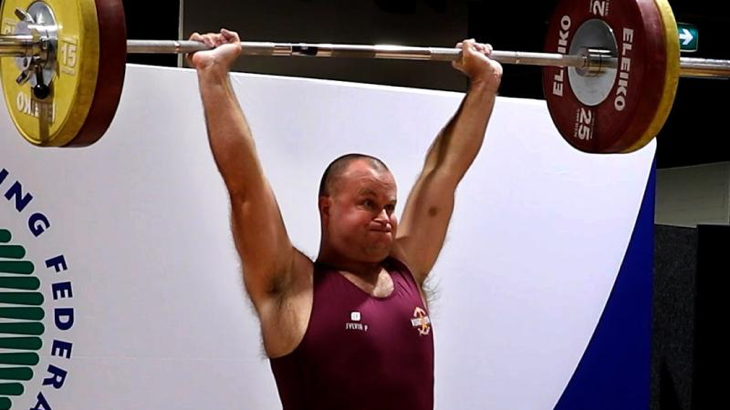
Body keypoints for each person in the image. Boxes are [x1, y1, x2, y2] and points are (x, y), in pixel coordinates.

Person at [188, 28, 502, 410]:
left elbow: (444, 173)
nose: (385, 217)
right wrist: (214, 76)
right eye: (368, 203)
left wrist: (485, 81)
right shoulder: (291, 286)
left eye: (389, 206)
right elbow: (246, 189)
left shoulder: (406, 269)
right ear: (327, 207)